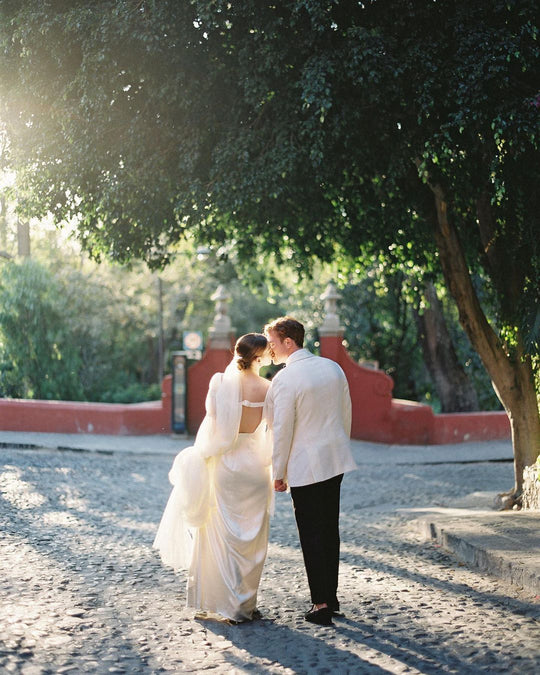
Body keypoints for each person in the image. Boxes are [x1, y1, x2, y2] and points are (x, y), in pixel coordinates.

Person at [153, 333, 273, 624]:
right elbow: (273, 431)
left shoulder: (220, 382)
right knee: (251, 540)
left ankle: (212, 601)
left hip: (225, 465)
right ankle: (243, 605)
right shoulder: (269, 388)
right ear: (259, 357)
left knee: (218, 535)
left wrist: (205, 455)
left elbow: (212, 423)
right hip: (255, 467)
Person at [264, 316, 357, 627]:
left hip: (306, 465)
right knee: (330, 531)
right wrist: (340, 445)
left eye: (274, 343)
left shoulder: (285, 379)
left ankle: (320, 604)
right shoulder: (333, 367)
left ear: (289, 342)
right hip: (335, 459)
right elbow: (346, 414)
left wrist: (278, 471)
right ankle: (330, 597)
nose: (270, 350)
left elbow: (282, 430)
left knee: (311, 535)